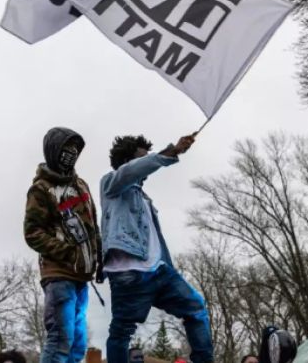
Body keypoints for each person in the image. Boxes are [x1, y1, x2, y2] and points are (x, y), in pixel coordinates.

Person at [99, 133, 213, 363]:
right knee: (122, 330)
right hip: (129, 273)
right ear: (128, 162)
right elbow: (131, 171)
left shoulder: (145, 200)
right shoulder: (111, 184)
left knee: (196, 308)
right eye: (142, 159)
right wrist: (170, 152)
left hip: (160, 272)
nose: (147, 165)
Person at [25, 127, 102, 363]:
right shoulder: (41, 189)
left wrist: (100, 258)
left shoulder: (82, 185)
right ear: (53, 151)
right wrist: (67, 252)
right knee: (61, 340)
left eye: (75, 150)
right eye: (65, 149)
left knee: (78, 345)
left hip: (82, 276)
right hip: (59, 275)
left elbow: (92, 224)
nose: (71, 154)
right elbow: (32, 232)